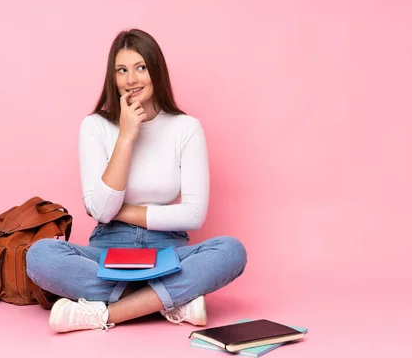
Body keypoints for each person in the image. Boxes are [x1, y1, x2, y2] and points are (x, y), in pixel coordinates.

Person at [26, 29, 247, 333]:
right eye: (122, 70)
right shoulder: (95, 126)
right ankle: (169, 300)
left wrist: (122, 211)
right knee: (40, 256)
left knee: (231, 250)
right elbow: (102, 214)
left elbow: (193, 215)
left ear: (156, 71)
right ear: (112, 78)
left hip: (168, 251)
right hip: (107, 252)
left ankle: (104, 314)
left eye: (140, 68)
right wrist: (127, 137)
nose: (131, 79)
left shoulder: (186, 128)